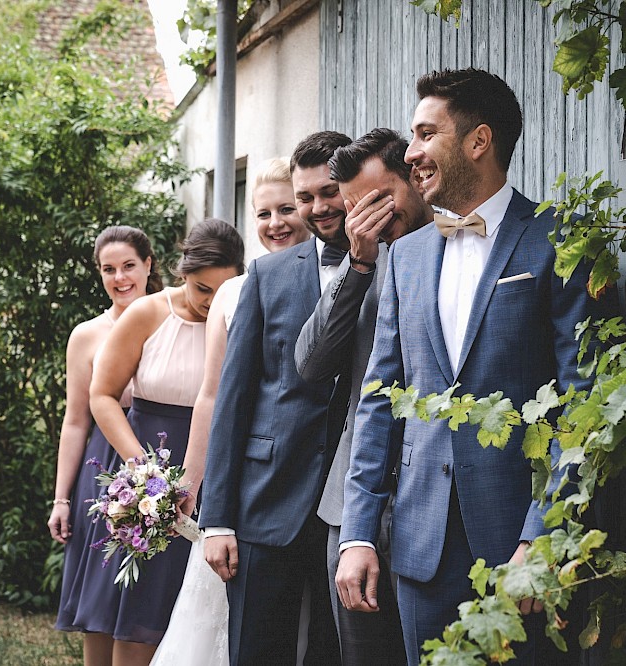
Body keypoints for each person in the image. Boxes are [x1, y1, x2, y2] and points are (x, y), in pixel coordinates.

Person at [336, 69, 615, 665]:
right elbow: (380, 400)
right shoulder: (404, 256)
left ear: (478, 141)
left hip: (522, 550)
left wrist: (542, 538)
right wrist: (359, 532)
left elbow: (585, 405)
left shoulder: (561, 240)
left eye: (424, 134)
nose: (409, 154)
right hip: (420, 547)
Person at [150, 157, 312, 666]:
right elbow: (214, 396)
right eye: (262, 213)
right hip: (255, 487)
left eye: (287, 207)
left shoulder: (348, 272)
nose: (275, 223)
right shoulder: (234, 292)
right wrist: (194, 486)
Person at [198, 131, 352, 665]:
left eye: (326, 192)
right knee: (259, 650)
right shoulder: (267, 274)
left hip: (350, 508)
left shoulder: (395, 261)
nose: (316, 207)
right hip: (267, 499)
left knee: (333, 654)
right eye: (304, 197)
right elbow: (232, 398)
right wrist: (216, 517)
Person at [294, 128, 433, 666]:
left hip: (435, 500)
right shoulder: (361, 262)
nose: (365, 218)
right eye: (355, 208)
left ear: (415, 179)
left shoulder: (449, 247)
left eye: (376, 200)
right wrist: (359, 263)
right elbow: (311, 362)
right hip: (354, 508)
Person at [89, 219, 245, 665]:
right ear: (181, 273)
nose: (211, 303)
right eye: (201, 289)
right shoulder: (148, 313)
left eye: (222, 290)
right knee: (142, 609)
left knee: (196, 605)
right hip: (151, 478)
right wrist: (144, 472)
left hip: (213, 476)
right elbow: (101, 395)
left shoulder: (240, 317)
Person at [51, 225, 162, 666]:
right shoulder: (87, 335)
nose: (120, 278)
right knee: (99, 598)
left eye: (129, 266)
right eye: (108, 269)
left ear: (148, 265)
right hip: (104, 474)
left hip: (163, 462)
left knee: (150, 594)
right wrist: (62, 498)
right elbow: (75, 420)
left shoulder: (173, 316)